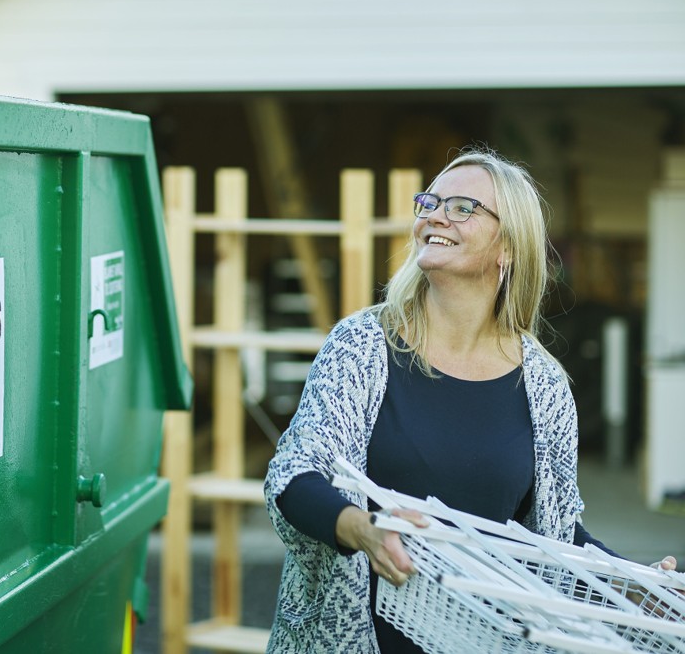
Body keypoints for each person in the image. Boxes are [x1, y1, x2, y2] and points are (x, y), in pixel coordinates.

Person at [263, 146, 677, 653]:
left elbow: (555, 532)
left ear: (508, 247)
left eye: (463, 207)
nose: (436, 215)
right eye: (430, 203)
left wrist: (629, 583)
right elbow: (294, 476)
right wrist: (363, 529)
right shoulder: (362, 345)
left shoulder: (544, 385)